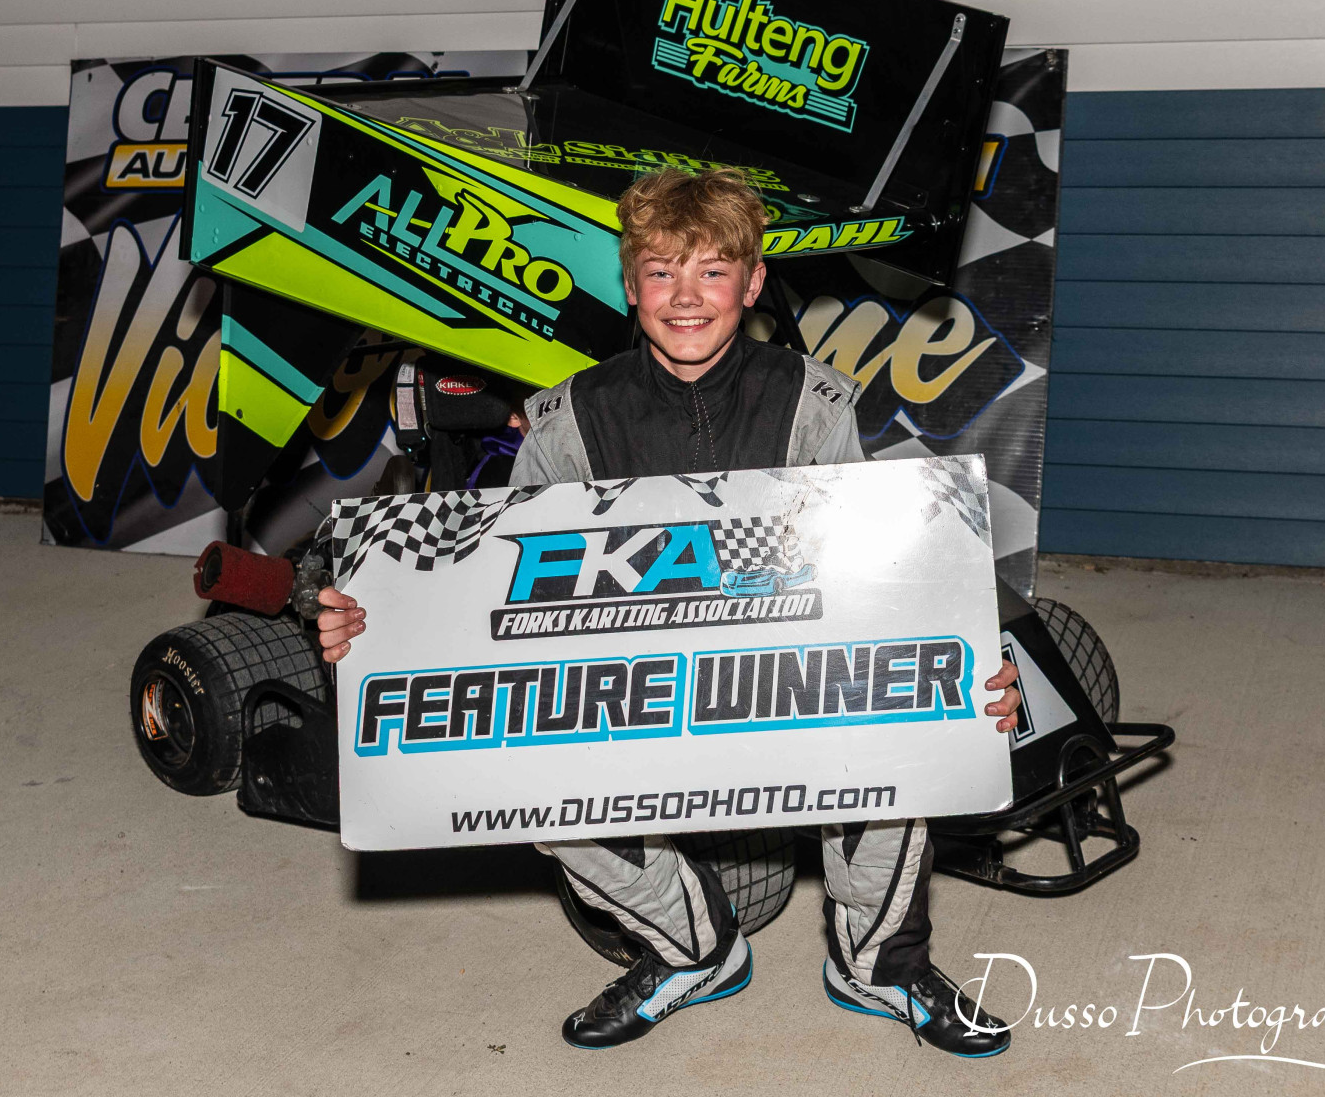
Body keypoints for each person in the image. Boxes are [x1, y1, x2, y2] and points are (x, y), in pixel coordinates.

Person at [315, 168, 1022, 1055]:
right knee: (523, 780)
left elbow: (880, 581)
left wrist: (969, 660)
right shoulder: (570, 420)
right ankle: (694, 952)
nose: (686, 298)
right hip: (631, 700)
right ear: (630, 285)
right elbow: (484, 589)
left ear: (752, 284)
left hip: (785, 683)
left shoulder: (812, 403)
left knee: (903, 739)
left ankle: (878, 965)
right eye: (661, 272)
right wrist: (364, 621)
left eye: (712, 272)